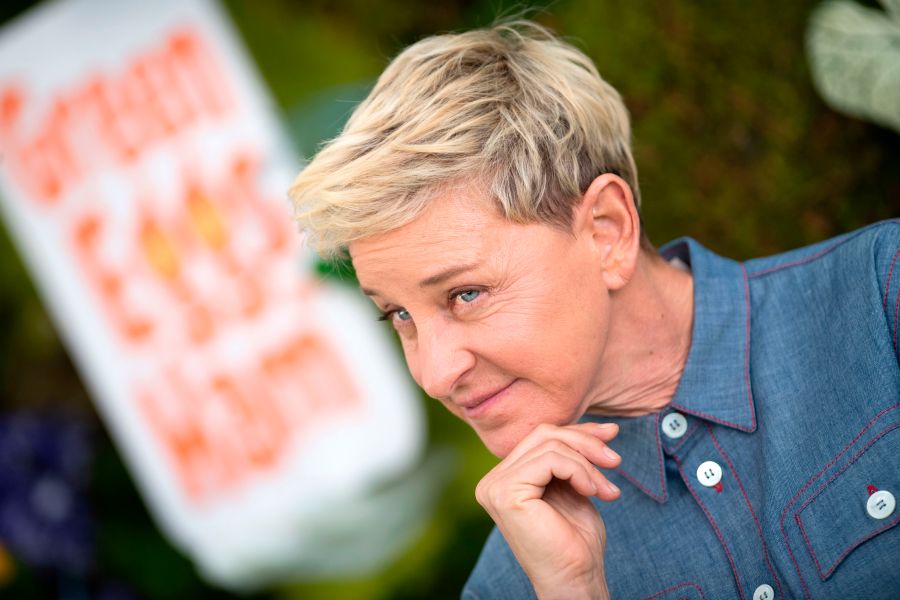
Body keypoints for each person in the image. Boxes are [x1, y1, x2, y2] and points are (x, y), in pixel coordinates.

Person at [288, 20, 900, 599]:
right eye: (398, 315)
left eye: (465, 294)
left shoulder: (884, 298)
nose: (435, 373)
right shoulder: (516, 582)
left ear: (606, 233)